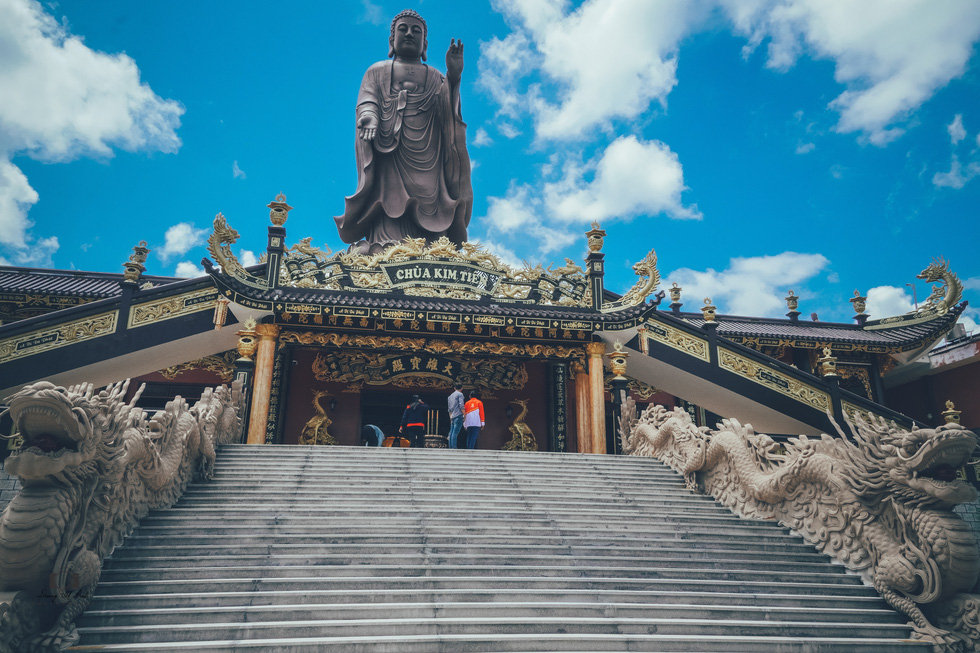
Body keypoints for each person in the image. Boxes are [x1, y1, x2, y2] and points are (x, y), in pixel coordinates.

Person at [334, 9, 472, 255]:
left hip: (429, 160)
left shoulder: (436, 77)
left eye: (416, 31)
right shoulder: (377, 71)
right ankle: (386, 245)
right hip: (391, 153)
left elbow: (448, 115)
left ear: (425, 44)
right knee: (389, 202)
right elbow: (367, 100)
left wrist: (453, 76)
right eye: (403, 29)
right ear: (391, 41)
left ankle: (433, 247)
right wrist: (369, 117)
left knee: (432, 204)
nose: (409, 33)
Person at [447, 381, 464, 449]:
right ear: (462, 388)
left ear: (454, 388)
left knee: (451, 431)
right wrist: (464, 414)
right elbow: (461, 405)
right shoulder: (460, 394)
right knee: (455, 432)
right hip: (458, 414)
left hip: (452, 415)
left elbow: (449, 408)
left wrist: (450, 416)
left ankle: (451, 446)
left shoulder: (450, 396)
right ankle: (454, 446)